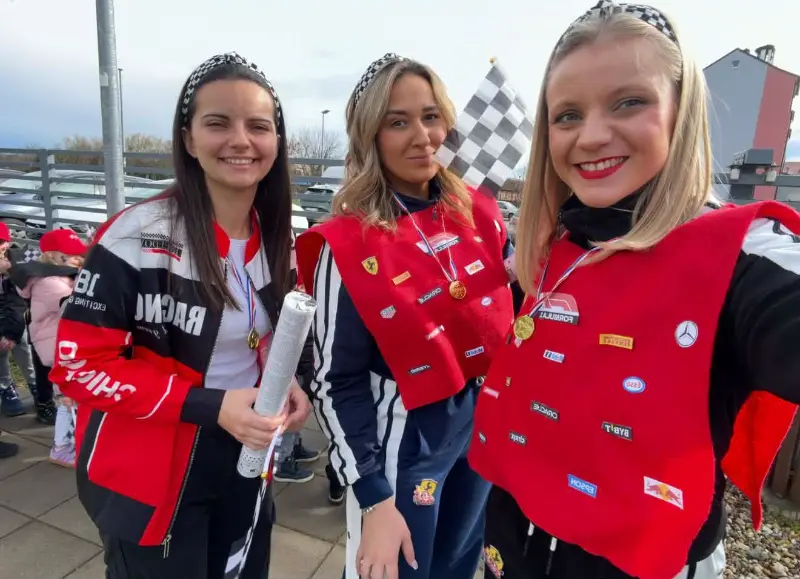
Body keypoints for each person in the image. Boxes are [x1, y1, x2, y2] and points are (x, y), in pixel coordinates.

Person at [468, 2, 800, 579]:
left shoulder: (740, 252)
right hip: (515, 545)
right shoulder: (548, 244)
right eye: (568, 115)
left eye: (629, 102)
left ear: (681, 110)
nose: (592, 136)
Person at [49, 51, 313, 579]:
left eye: (258, 126)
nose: (240, 140)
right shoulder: (134, 234)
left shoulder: (283, 238)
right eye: (218, 123)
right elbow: (78, 367)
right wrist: (209, 405)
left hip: (247, 458)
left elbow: (265, 341)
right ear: (188, 139)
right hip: (151, 475)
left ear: (277, 142)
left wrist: (290, 383)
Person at [295, 53, 519, 579]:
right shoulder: (346, 242)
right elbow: (333, 380)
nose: (423, 137)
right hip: (402, 450)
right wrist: (372, 497)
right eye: (398, 122)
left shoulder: (481, 211)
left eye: (431, 116)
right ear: (370, 136)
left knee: (460, 567)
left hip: (480, 436)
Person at [11, 229, 87, 467]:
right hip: (58, 347)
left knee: (69, 396)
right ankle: (62, 448)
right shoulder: (49, 282)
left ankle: (68, 445)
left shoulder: (57, 277)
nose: (79, 259)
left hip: (62, 345)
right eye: (73, 255)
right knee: (68, 398)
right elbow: (75, 304)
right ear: (55, 256)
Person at [0, 223, 38, 420]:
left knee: (23, 345)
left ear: (7, 243)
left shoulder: (20, 259)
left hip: (16, 315)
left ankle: (35, 384)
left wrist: (11, 271)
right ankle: (6, 388)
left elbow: (20, 302)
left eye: (0, 242)